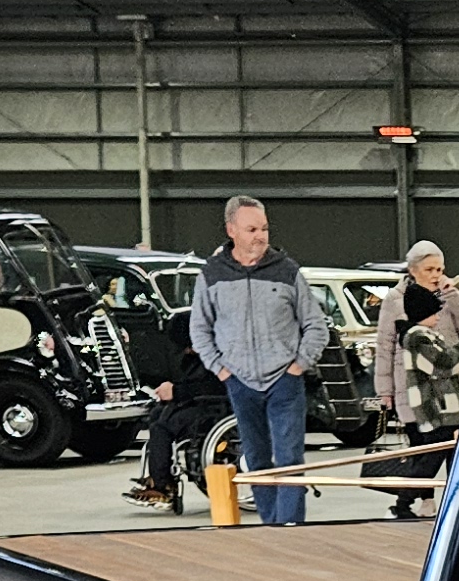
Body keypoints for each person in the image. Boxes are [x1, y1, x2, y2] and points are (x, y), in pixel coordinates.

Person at [189, 193, 327, 527]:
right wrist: (221, 370)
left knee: (290, 458)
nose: (260, 236)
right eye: (252, 229)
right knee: (256, 458)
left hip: (285, 381)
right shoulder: (212, 275)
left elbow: (316, 325)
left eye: (264, 228)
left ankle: (289, 527)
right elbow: (199, 328)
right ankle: (270, 526)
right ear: (231, 230)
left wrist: (298, 365)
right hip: (239, 382)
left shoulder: (287, 271)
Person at [368, 240, 459, 519]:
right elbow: (385, 344)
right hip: (413, 386)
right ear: (413, 270)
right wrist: (385, 390)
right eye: (429, 269)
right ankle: (422, 499)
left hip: (451, 384)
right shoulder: (395, 298)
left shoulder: (448, 294)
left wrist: (455, 296)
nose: (436, 275)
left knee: (451, 444)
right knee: (423, 447)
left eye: (439, 269)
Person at [114, 273, 206, 512]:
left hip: (212, 408)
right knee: (157, 415)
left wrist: (175, 391)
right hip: (202, 403)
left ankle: (162, 485)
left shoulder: (212, 355)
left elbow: (210, 387)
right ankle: (159, 477)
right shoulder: (198, 356)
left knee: (164, 425)